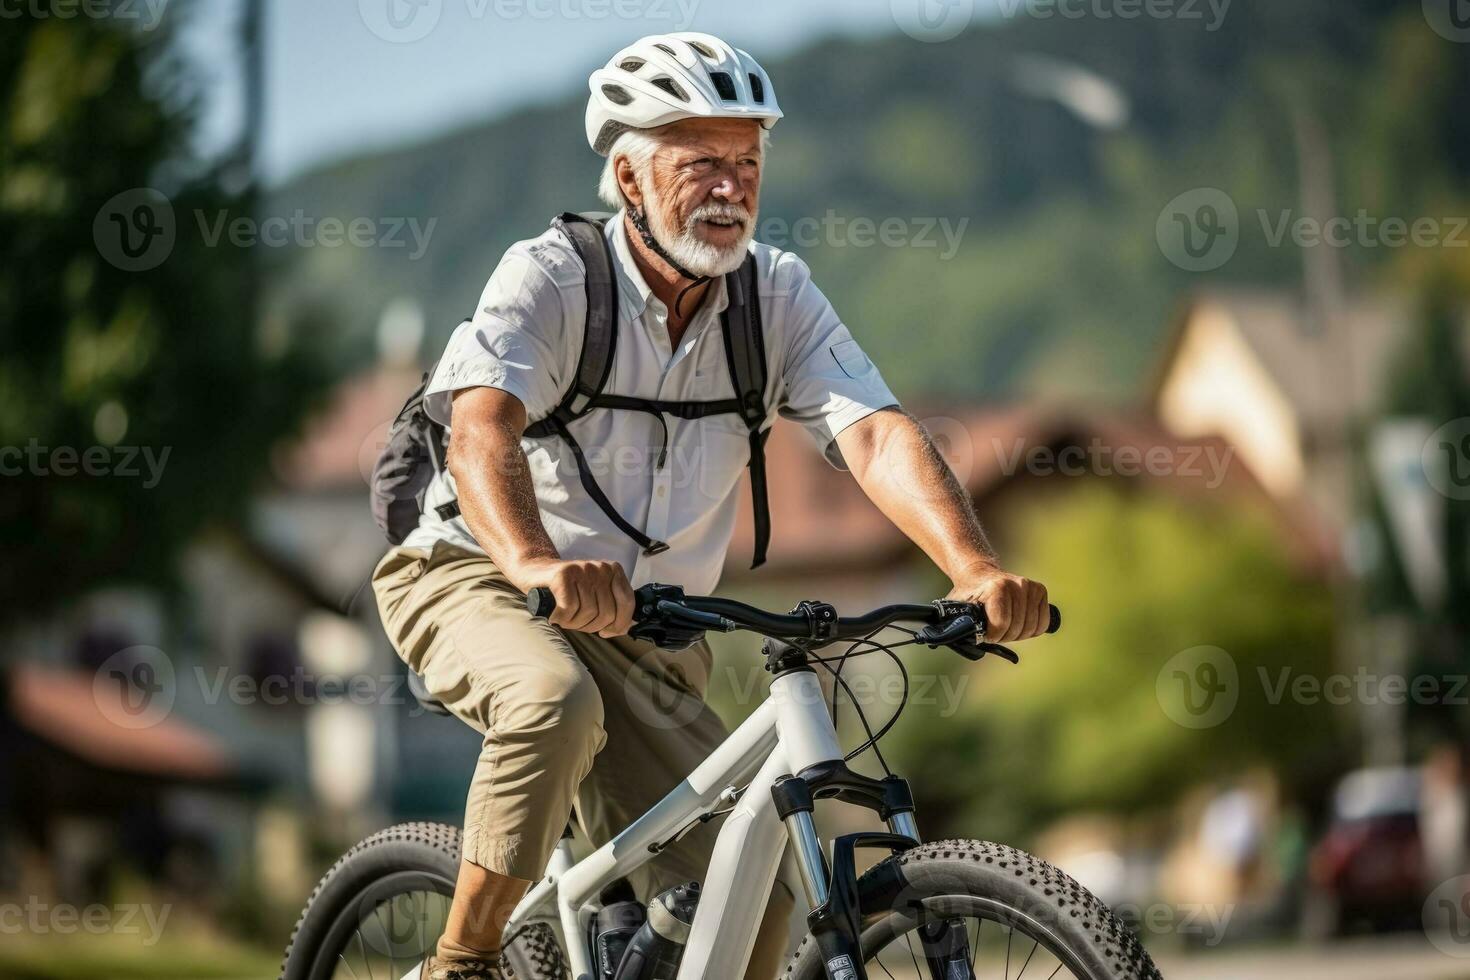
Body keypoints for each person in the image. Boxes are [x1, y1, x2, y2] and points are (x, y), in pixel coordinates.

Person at [375, 31, 1052, 980]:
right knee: (550, 697)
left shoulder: (776, 297)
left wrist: (973, 568)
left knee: (753, 898)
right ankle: (464, 960)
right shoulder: (556, 277)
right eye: (701, 163)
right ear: (630, 175)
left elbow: (875, 435)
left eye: (748, 161)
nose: (732, 186)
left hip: (651, 628)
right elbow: (480, 428)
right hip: (476, 573)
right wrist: (533, 562)